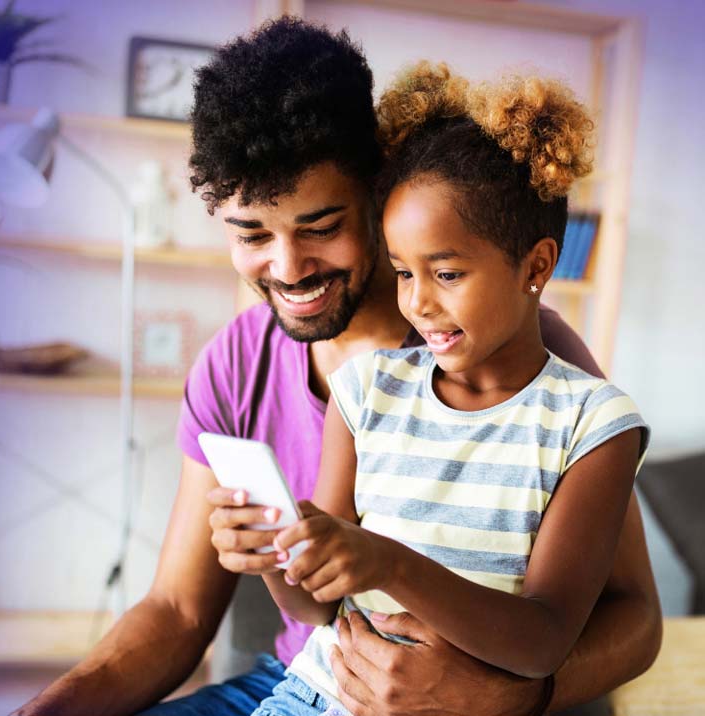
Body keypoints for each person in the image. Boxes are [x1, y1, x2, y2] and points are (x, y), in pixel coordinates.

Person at [12, 18, 661, 716]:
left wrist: (509, 698)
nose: (287, 269)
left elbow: (629, 619)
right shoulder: (246, 367)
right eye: (252, 234)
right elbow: (177, 607)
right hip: (309, 681)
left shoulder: (541, 368)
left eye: (320, 227)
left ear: (377, 191)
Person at [233, 63, 650, 716]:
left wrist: (391, 565)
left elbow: (541, 642)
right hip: (312, 695)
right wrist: (272, 550)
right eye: (402, 272)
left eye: (447, 272)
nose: (417, 304)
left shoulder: (592, 424)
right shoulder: (365, 391)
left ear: (535, 267)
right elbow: (313, 606)